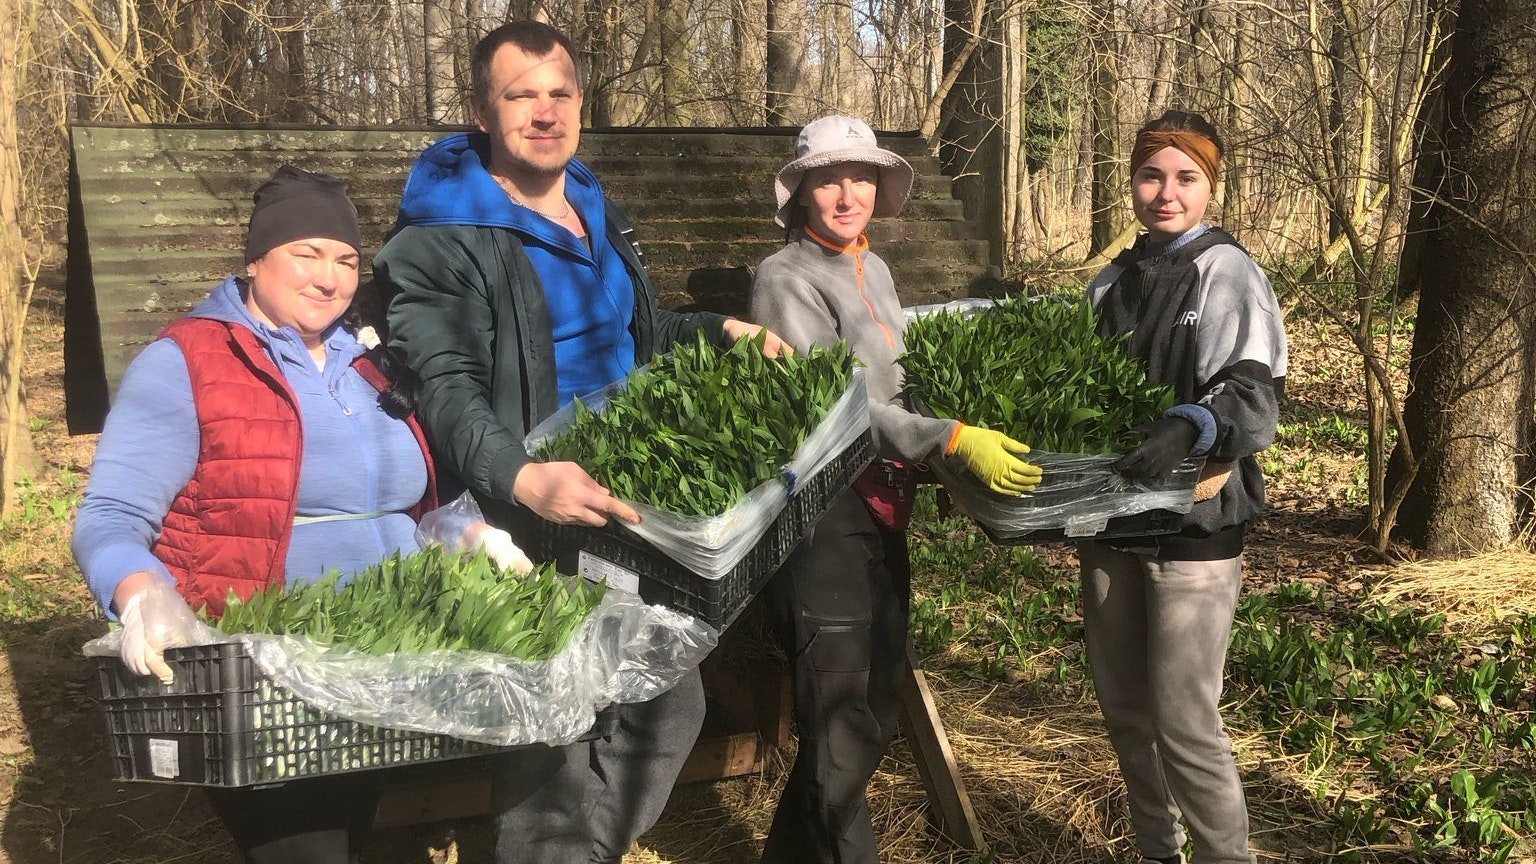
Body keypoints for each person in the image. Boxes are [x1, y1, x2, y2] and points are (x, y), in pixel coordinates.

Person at [371, 20, 787, 864]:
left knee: (669, 711)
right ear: (481, 111)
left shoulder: (595, 203)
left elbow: (640, 331)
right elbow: (443, 386)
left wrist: (717, 333)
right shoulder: (437, 240)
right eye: (521, 94)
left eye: (560, 93)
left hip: (629, 500)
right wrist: (523, 480)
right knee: (552, 741)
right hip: (528, 521)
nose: (545, 112)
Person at [72, 166, 453, 863]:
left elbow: (405, 494)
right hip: (263, 671)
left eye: (344, 259)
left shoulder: (369, 364)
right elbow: (109, 514)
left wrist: (459, 529)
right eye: (306, 252)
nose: (330, 278)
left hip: (382, 658)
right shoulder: (186, 360)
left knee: (351, 830)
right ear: (255, 258)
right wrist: (141, 592)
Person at [747, 114, 1043, 864]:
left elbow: (900, 386)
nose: (848, 194)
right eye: (828, 179)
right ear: (801, 193)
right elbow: (828, 410)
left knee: (871, 706)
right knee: (843, 716)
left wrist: (945, 453)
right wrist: (944, 437)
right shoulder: (785, 279)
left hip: (882, 505)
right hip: (823, 513)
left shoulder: (872, 269)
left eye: (861, 177)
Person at [1081, 110, 1288, 864]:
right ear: (1131, 182)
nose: (1166, 193)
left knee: (1186, 724)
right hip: (1110, 524)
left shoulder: (1227, 271)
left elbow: (1255, 388)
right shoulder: (1110, 282)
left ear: (1210, 186)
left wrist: (1192, 425)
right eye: (1150, 175)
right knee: (1128, 716)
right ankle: (1156, 853)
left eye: (1185, 178)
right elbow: (1077, 394)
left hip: (1195, 529)